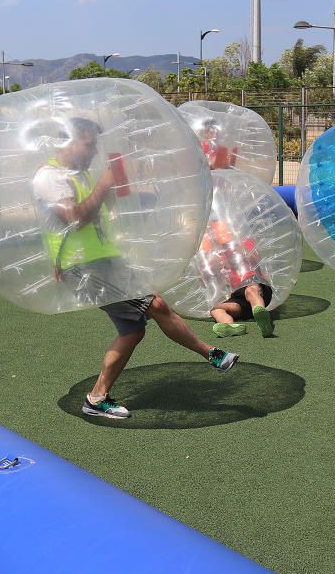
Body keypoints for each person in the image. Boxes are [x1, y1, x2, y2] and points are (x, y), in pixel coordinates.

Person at [32, 117, 239, 420]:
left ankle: (97, 397)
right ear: (67, 142)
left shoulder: (78, 174)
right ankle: (210, 354)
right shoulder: (50, 178)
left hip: (103, 260)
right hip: (86, 266)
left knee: (134, 328)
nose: (93, 151)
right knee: (153, 305)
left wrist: (154, 191)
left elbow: (110, 208)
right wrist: (104, 184)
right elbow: (74, 218)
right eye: (89, 144)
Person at [199, 220, 275, 338]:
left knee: (250, 291)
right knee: (215, 309)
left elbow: (257, 260)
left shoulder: (244, 242)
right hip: (237, 296)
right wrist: (210, 267)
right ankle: (230, 326)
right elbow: (206, 283)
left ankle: (262, 317)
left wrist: (239, 250)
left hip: (255, 284)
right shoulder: (216, 256)